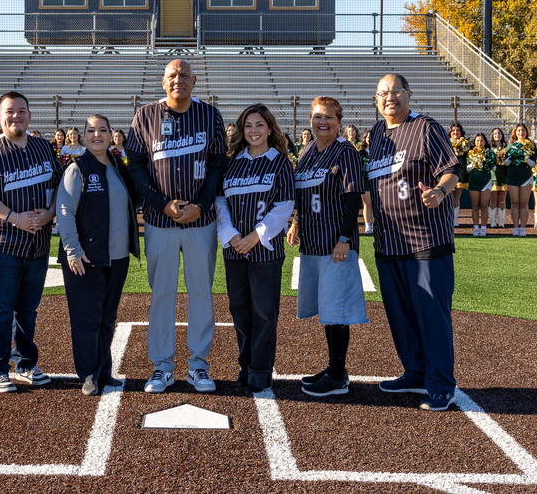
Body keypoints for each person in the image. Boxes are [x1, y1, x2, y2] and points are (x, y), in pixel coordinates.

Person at [125, 59, 227, 394]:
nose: (178, 80)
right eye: (172, 75)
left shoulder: (210, 115)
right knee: (162, 294)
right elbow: (136, 165)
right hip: (159, 221)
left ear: (194, 80)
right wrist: (161, 204)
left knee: (200, 293)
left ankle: (199, 366)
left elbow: (217, 166)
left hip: (201, 220)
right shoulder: (145, 115)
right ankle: (162, 367)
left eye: (184, 75)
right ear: (163, 81)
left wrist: (200, 204)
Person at [367, 74, 460, 411]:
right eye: (382, 93)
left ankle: (440, 383)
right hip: (388, 241)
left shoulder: (425, 127)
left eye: (395, 92)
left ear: (408, 94)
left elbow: (451, 169)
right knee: (401, 315)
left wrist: (440, 191)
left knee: (431, 316)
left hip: (424, 241)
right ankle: (415, 371)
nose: (389, 98)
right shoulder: (376, 133)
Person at [0, 90, 62, 393]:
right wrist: (14, 217)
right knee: (0, 308)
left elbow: (60, 184)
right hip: (1, 242)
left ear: (30, 116)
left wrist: (49, 214)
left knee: (28, 309)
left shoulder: (43, 147)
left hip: (37, 244)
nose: (16, 116)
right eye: (10, 111)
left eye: (21, 111)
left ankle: (25, 364)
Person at [285, 96, 366, 398]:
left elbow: (352, 199)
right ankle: (335, 368)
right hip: (313, 244)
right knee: (327, 310)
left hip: (335, 244)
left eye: (329, 117)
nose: (323, 122)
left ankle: (337, 375)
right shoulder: (307, 152)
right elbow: (301, 195)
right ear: (310, 120)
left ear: (339, 121)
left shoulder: (346, 152)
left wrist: (344, 239)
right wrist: (296, 222)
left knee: (337, 311)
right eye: (318, 116)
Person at [57, 114, 139, 395]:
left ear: (111, 134)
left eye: (102, 130)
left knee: (107, 316)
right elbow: (65, 210)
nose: (96, 135)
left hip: (117, 257)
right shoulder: (76, 167)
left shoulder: (117, 166)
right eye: (90, 130)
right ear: (83, 135)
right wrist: (73, 250)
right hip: (85, 257)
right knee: (86, 317)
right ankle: (89, 374)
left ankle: (104, 370)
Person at [216, 104, 294, 394]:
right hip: (235, 249)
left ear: (270, 128)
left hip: (265, 251)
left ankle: (260, 371)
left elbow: (284, 205)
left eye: (259, 124)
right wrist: (232, 235)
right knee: (239, 310)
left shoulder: (279, 163)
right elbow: (221, 202)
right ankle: (245, 365)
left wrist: (256, 236)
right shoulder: (232, 162)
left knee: (264, 312)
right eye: (248, 125)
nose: (254, 130)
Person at [505, 123, 536, 236]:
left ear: (526, 132)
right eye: (518, 131)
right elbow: (505, 163)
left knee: (524, 203)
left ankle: (523, 228)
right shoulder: (511, 145)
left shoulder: (531, 145)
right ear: (515, 132)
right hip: (513, 176)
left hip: (526, 177)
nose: (521, 133)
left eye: (523, 130)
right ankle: (515, 227)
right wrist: (512, 156)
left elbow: (533, 164)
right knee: (514, 203)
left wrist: (525, 157)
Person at [466, 132, 494, 236]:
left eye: (482, 140)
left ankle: (483, 229)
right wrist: (474, 163)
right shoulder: (470, 152)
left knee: (484, 205)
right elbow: (467, 168)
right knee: (475, 205)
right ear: (474, 142)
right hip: (474, 180)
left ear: (485, 142)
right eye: (477, 140)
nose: (480, 142)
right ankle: (475, 228)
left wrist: (489, 163)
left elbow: (493, 166)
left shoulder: (489, 152)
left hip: (486, 180)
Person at [448, 123, 470, 225]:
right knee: (447, 197)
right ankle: (447, 218)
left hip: (460, 173)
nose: (456, 132)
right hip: (447, 173)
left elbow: (468, 158)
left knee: (456, 197)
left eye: (458, 131)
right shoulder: (446, 142)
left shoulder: (465, 143)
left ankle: (455, 220)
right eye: (453, 131)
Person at [488, 127, 508, 228]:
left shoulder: (506, 148)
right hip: (493, 176)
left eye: (499, 133)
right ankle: (492, 221)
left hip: (504, 176)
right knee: (493, 199)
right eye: (495, 134)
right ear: (492, 136)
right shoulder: (489, 149)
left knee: (502, 199)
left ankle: (501, 222)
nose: (497, 135)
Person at [361, 129, 374, 234]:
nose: (369, 139)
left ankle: (374, 223)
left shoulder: (378, 151)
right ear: (365, 139)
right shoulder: (361, 153)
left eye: (371, 137)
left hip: (375, 179)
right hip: (365, 180)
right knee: (367, 203)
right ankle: (367, 225)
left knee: (375, 204)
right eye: (367, 137)